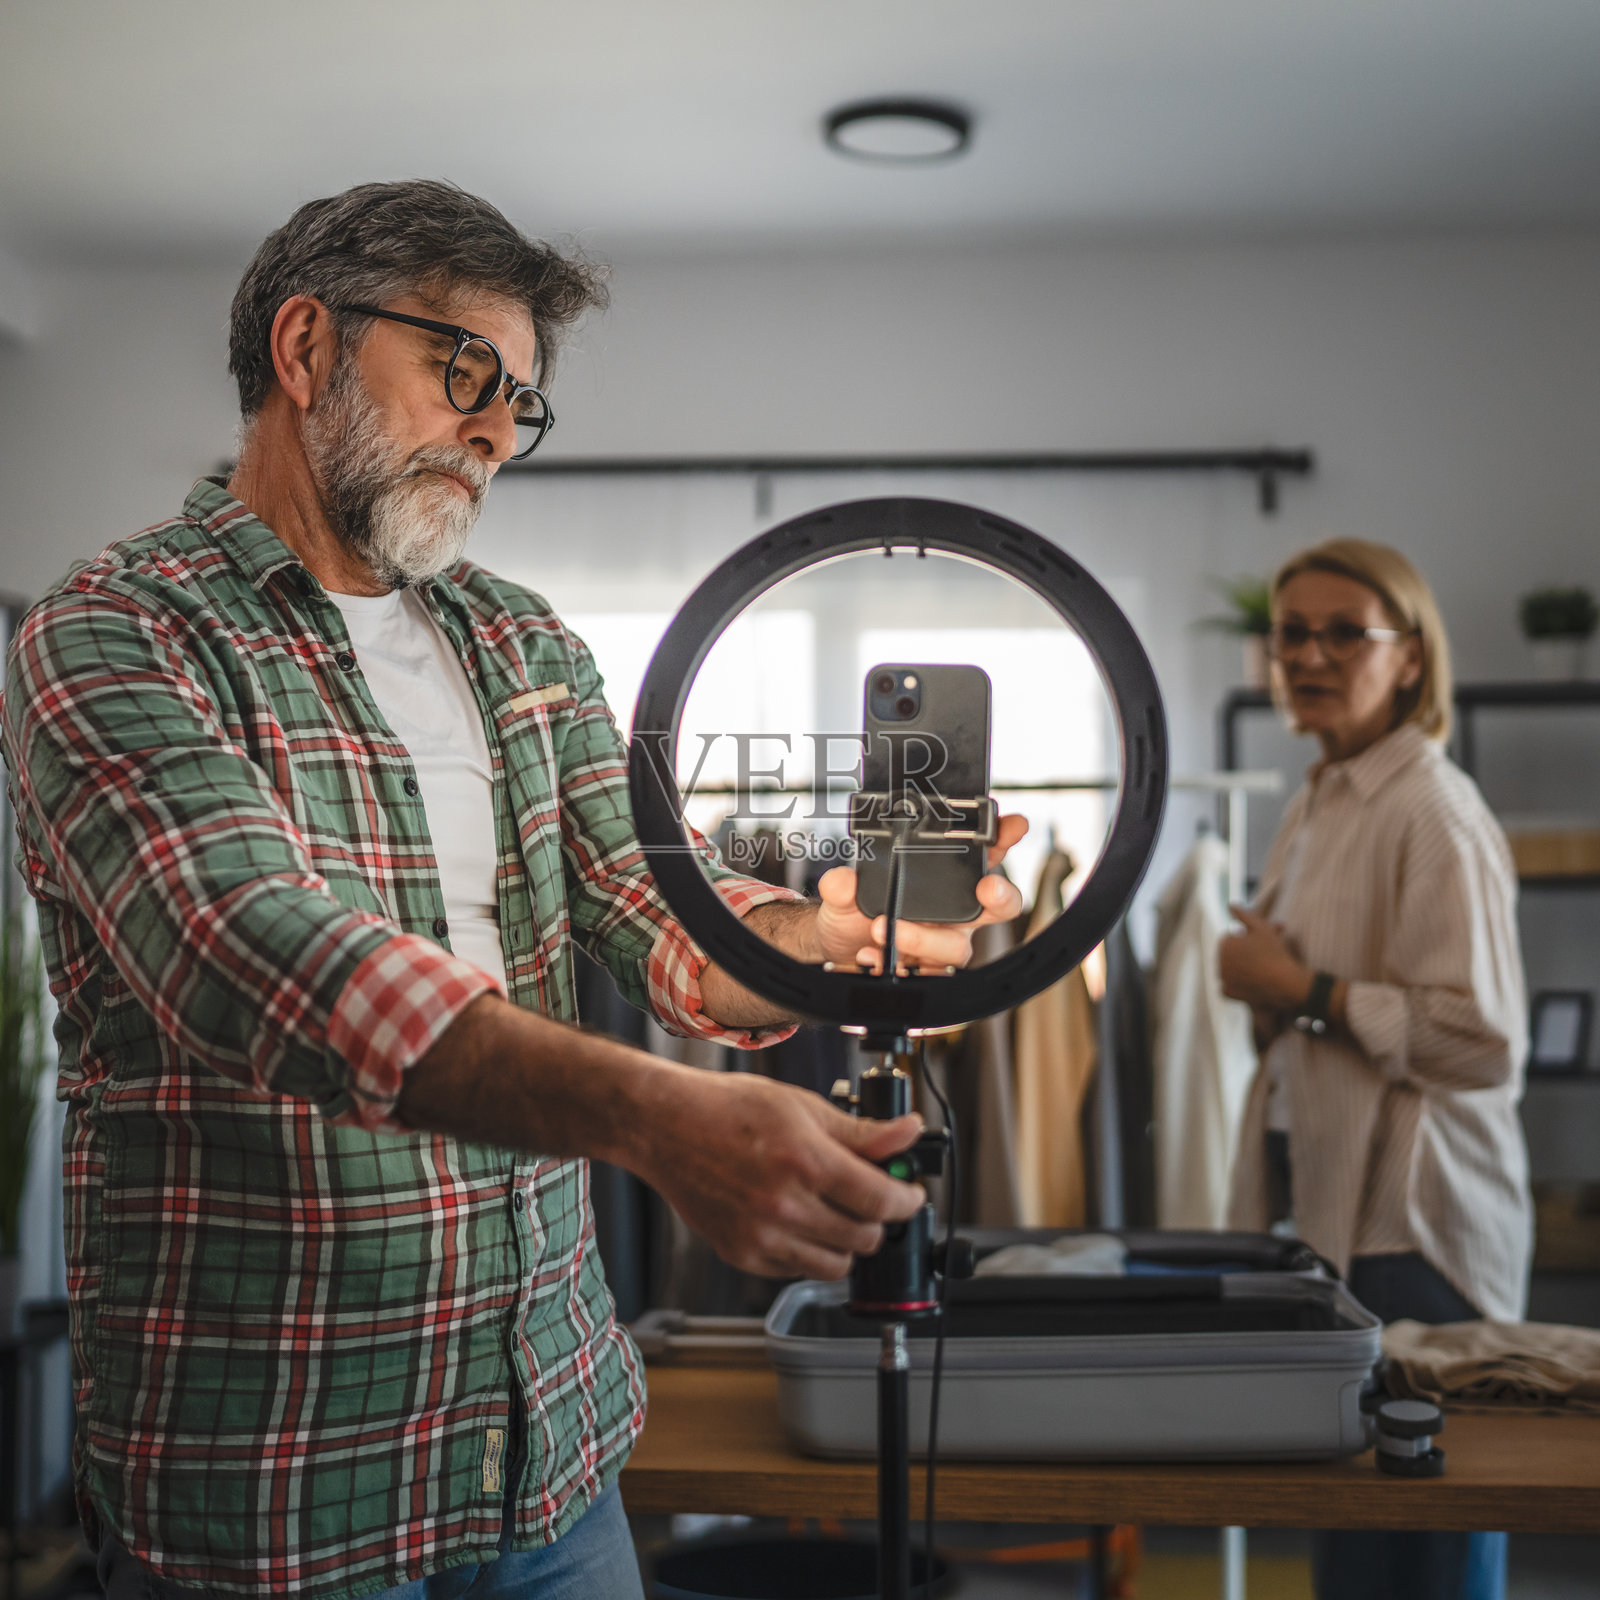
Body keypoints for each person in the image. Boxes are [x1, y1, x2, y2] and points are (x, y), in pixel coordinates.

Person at [0, 180, 1026, 1600]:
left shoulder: (521, 640)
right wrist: (658, 1117)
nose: (493, 431)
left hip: (547, 1453)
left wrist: (822, 939)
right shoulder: (115, 631)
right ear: (306, 352)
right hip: (279, 1482)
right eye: (462, 372)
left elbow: (655, 911)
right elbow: (250, 951)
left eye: (518, 404)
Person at [1219, 538, 1529, 1600]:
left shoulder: (1431, 810)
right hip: (1333, 1221)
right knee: (1352, 1531)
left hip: (1413, 1234)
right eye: (1291, 632)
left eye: (1343, 631)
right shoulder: (1321, 797)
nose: (1308, 653)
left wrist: (1299, 989)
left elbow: (1483, 1040)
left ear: (1409, 659)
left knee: (1425, 1548)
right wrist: (1278, 989)